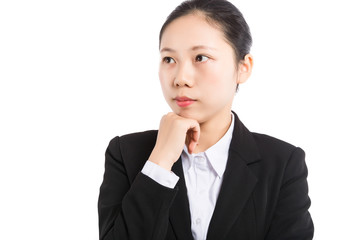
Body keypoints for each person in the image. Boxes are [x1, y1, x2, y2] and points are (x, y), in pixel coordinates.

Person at [98, 0, 314, 239]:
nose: (181, 78)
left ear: (243, 67)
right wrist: (159, 163)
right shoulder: (126, 154)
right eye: (169, 59)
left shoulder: (282, 164)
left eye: (200, 57)